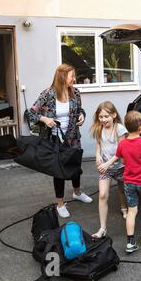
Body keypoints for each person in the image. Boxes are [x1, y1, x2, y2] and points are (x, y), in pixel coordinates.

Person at [29, 64, 92, 218]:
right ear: (63, 77)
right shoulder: (48, 94)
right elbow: (31, 113)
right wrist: (44, 119)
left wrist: (82, 115)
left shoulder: (75, 92)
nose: (75, 79)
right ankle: (60, 204)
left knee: (75, 165)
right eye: (72, 76)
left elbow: (79, 110)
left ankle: (77, 192)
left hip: (73, 137)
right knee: (59, 170)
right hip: (55, 139)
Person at [99, 111, 141, 253]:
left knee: (132, 210)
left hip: (129, 182)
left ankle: (130, 242)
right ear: (140, 127)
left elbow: (122, 160)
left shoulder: (123, 144)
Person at [90, 101, 129, 238]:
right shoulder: (100, 128)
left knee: (121, 190)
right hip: (105, 168)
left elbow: (121, 151)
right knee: (102, 195)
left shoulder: (120, 129)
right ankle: (102, 229)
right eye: (100, 117)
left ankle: (124, 208)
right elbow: (99, 145)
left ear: (113, 115)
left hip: (121, 167)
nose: (103, 119)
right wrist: (97, 156)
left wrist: (107, 163)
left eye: (106, 116)